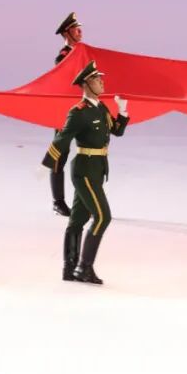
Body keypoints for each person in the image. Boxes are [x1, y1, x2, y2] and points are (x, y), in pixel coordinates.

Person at [41, 61, 129, 285]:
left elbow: (116, 131)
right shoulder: (78, 112)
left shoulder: (101, 108)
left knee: (78, 219)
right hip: (84, 170)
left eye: (101, 78)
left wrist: (123, 111)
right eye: (97, 79)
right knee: (102, 217)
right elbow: (63, 138)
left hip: (97, 169)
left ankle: (69, 268)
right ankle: (84, 267)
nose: (102, 82)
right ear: (86, 84)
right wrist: (47, 163)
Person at [48, 12, 84, 216]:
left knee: (87, 154)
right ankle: (58, 201)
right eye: (76, 29)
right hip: (65, 113)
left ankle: (84, 199)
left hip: (82, 111)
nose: (80, 32)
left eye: (80, 29)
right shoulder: (63, 56)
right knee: (60, 156)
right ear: (66, 33)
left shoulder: (83, 54)